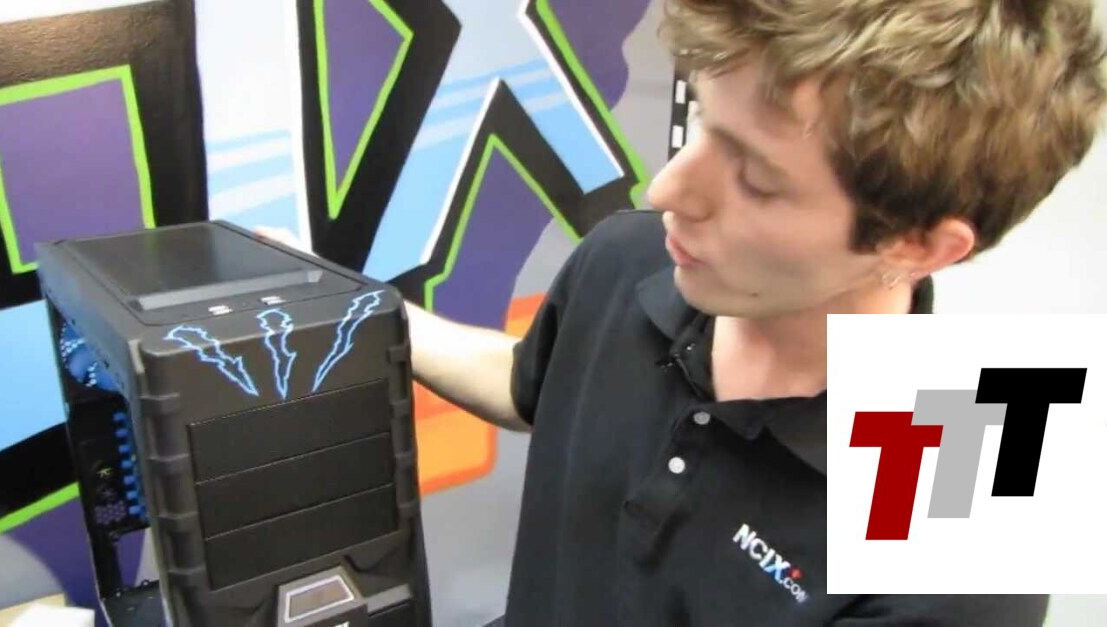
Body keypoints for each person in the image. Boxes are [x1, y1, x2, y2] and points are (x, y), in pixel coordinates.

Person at [260, 0, 1106, 623]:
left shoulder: (982, 494)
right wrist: (350, 306)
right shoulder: (631, 256)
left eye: (755, 177)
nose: (667, 190)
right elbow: (529, 383)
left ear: (918, 245)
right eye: (702, 119)